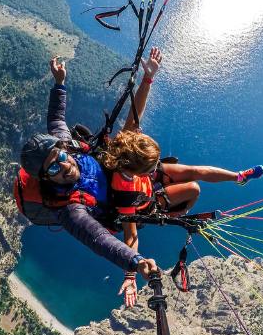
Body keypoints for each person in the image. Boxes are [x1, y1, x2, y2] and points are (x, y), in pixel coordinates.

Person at [18, 49, 163, 308]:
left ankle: (148, 77)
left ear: (62, 150)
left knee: (128, 136)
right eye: (53, 170)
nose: (63, 166)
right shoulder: (71, 210)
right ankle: (147, 78)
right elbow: (99, 240)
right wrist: (135, 262)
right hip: (112, 203)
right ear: (46, 178)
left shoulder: (66, 145)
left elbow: (55, 119)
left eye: (61, 157)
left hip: (104, 173)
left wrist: (59, 83)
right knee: (131, 141)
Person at [100, 129, 263, 301]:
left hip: (147, 181)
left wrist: (142, 99)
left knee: (195, 171)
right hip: (148, 201)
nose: (157, 165)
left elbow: (138, 109)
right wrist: (130, 274)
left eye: (156, 162)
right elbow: (131, 235)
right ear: (139, 170)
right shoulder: (125, 193)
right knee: (193, 189)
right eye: (153, 165)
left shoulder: (131, 148)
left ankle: (239, 177)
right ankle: (177, 212)